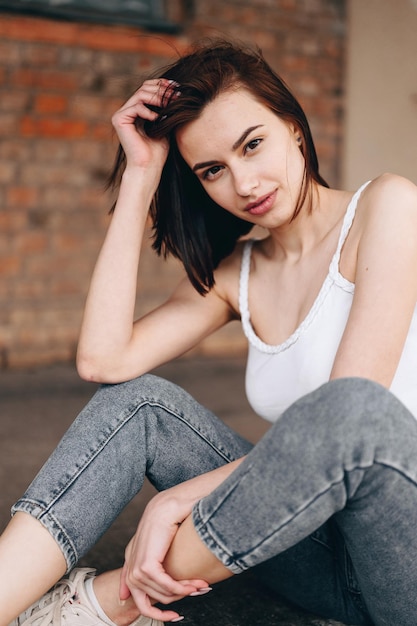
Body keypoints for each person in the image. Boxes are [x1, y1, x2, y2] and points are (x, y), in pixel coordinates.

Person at [2, 38, 417, 626]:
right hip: (322, 564)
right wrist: (142, 177)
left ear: (294, 127)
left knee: (349, 409)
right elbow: (104, 359)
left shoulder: (389, 207)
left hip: (408, 555)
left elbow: (348, 415)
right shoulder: (237, 276)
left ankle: (104, 605)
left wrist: (179, 498)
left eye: (253, 144)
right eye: (213, 170)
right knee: (138, 402)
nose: (244, 184)